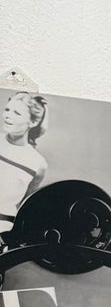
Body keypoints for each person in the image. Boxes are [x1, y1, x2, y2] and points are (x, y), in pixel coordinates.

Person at [0, 90, 49, 250]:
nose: (7, 116)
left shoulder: (38, 163)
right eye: (7, 110)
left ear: (33, 122)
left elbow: (25, 208)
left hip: (3, 235)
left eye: (17, 113)